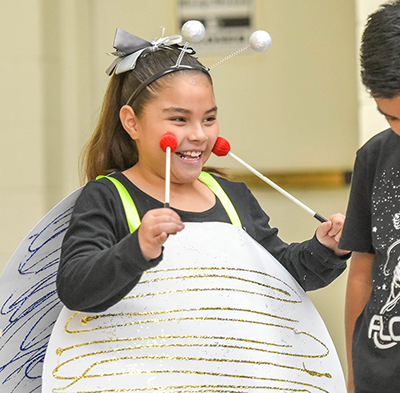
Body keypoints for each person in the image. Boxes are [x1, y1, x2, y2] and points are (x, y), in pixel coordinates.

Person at [57, 28, 348, 314]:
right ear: (131, 122)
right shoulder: (106, 197)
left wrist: (325, 247)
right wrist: (138, 248)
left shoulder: (233, 196)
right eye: (179, 119)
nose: (198, 135)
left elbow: (281, 277)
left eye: (209, 119)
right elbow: (75, 288)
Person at [339, 1, 400, 392]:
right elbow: (363, 270)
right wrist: (354, 373)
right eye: (391, 117)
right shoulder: (374, 157)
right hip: (380, 373)